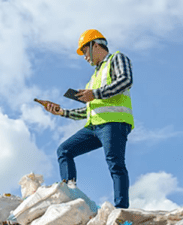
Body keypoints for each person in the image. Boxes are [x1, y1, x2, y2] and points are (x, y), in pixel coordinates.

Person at [43, 29, 134, 208]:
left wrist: (96, 93)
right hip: (95, 125)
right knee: (64, 150)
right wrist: (62, 112)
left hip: (114, 123)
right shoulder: (93, 78)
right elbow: (88, 110)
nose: (85, 57)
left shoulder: (117, 58)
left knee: (115, 164)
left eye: (85, 51)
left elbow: (126, 80)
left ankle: (121, 209)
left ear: (95, 45)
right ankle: (70, 194)